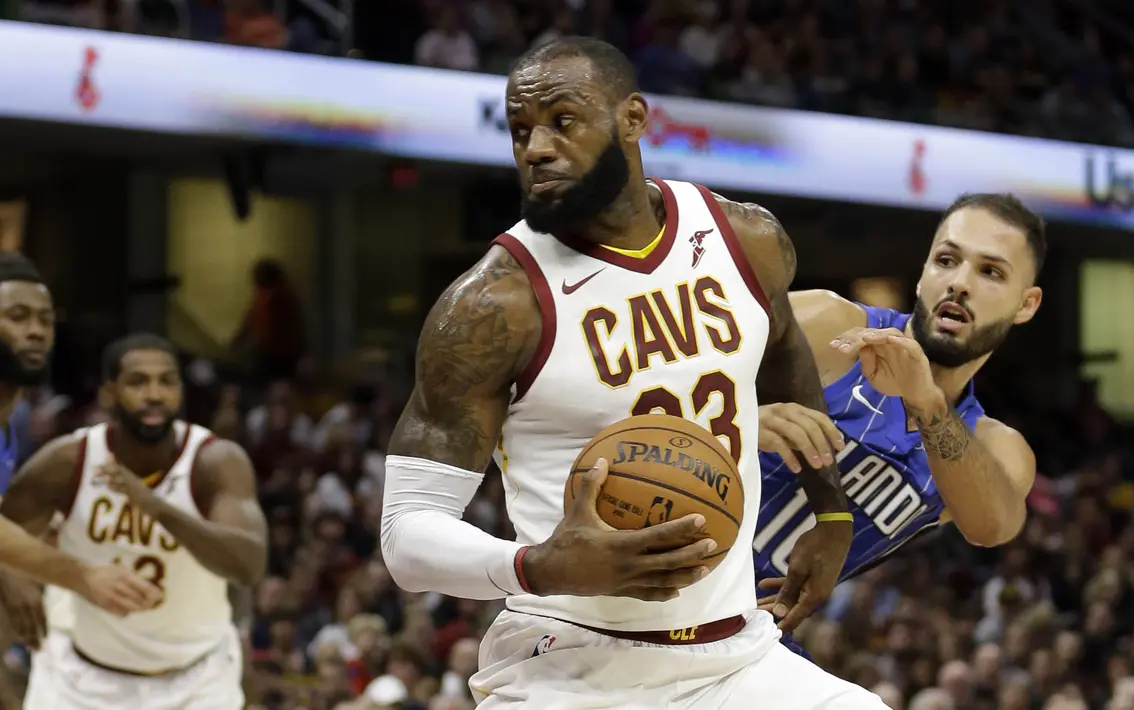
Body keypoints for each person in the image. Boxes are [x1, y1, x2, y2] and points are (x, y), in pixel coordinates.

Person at [381, 37, 883, 709]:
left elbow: (784, 359)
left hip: (735, 656)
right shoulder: (492, 305)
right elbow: (407, 533)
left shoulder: (745, 238)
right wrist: (536, 565)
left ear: (633, 119)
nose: (535, 148)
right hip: (568, 659)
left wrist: (830, 511)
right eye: (521, 130)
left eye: (563, 120)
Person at [754, 193, 1043, 627]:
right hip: (652, 566)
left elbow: (992, 528)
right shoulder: (829, 323)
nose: (960, 282)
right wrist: (737, 421)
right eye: (946, 260)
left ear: (1026, 304)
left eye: (990, 272)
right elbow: (649, 374)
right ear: (923, 272)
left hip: (749, 634)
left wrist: (925, 401)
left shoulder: (995, 447)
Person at [0, 333, 268, 709]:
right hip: (82, 680)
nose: (154, 394)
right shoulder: (68, 462)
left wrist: (157, 508)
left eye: (167, 381)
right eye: (138, 382)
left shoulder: (214, 463)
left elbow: (248, 564)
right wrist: (14, 579)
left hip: (196, 679)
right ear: (109, 392)